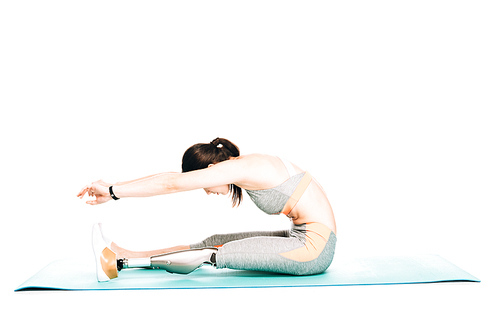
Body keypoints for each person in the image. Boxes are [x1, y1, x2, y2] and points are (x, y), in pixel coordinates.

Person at [77, 138, 337, 281]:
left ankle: (119, 263)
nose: (207, 190)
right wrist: (114, 187)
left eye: (204, 182)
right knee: (213, 243)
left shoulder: (240, 168)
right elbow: (171, 178)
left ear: (211, 169)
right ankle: (126, 253)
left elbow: (171, 183)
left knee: (211, 253)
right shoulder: (247, 164)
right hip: (305, 237)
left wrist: (113, 191)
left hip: (314, 249)